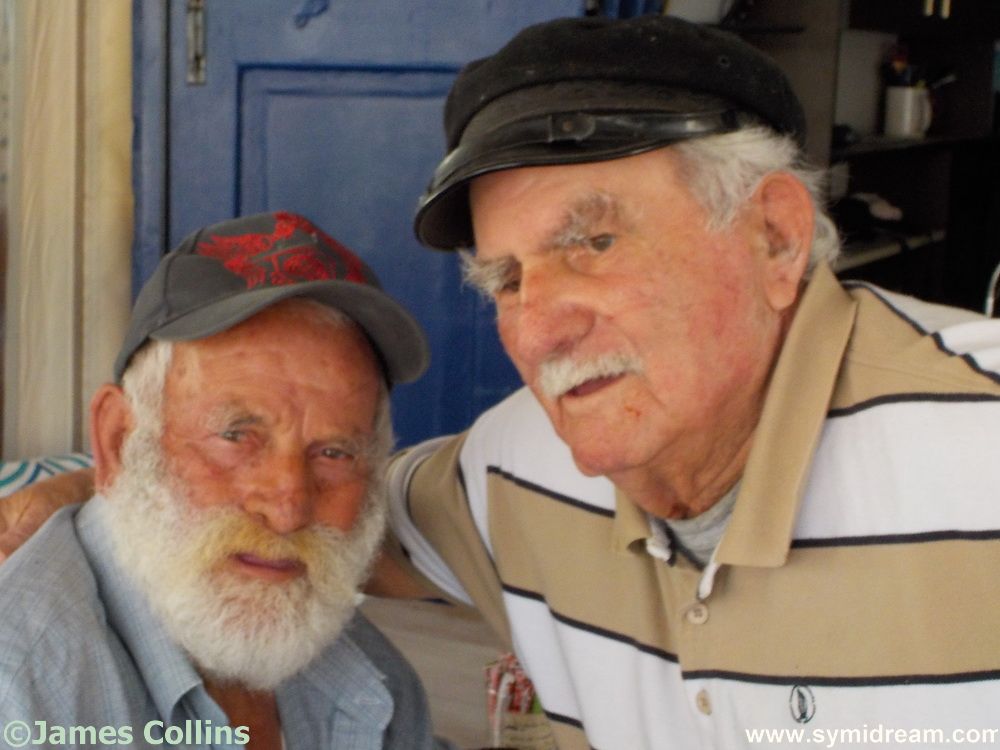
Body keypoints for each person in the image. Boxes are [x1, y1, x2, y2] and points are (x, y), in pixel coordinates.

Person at [4, 15, 1000, 750]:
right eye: (508, 278)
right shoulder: (523, 467)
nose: (539, 325)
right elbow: (310, 518)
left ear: (775, 236)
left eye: (593, 242)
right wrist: (113, 482)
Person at [0, 211, 449, 749]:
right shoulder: (19, 695)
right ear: (118, 440)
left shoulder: (373, 682)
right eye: (237, 436)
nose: (287, 510)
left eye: (334, 452)